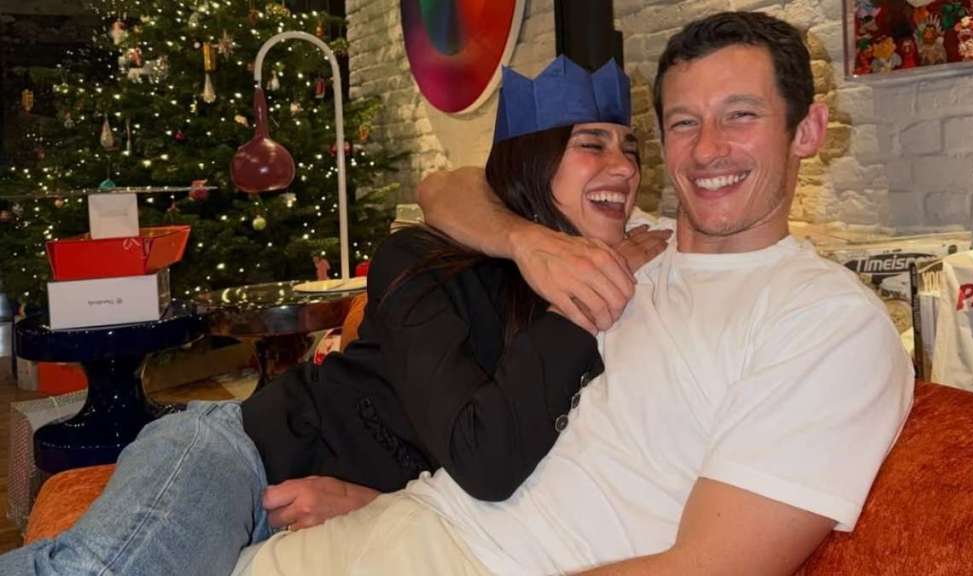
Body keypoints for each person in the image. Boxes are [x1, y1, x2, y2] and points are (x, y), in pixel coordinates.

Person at [236, 11, 914, 576]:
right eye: (684, 123)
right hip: (396, 523)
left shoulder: (826, 322)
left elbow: (707, 567)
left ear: (807, 131)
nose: (708, 150)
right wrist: (529, 242)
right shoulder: (626, 246)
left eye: (740, 115)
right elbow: (444, 188)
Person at [0, 56, 667, 575]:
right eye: (593, 144)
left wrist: (374, 501)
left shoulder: (641, 285)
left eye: (631, 148)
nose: (624, 166)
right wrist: (582, 301)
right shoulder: (425, 262)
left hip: (324, 520)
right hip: (239, 458)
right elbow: (484, 456)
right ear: (531, 162)